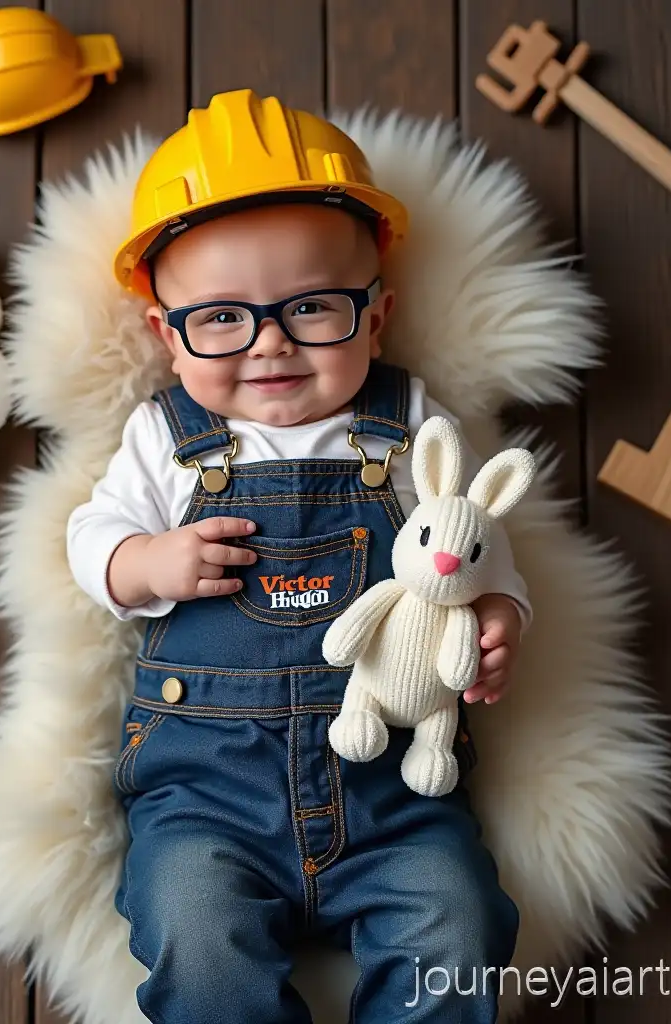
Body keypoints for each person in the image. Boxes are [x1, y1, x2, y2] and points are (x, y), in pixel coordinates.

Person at [67, 89, 529, 1023]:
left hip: (394, 793)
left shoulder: (407, 429)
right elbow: (90, 539)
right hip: (205, 795)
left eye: (313, 307)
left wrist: (497, 619)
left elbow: (481, 544)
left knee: (457, 925)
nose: (270, 342)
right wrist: (148, 564)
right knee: (193, 936)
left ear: (379, 315)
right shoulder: (165, 437)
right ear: (167, 334)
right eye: (222, 319)